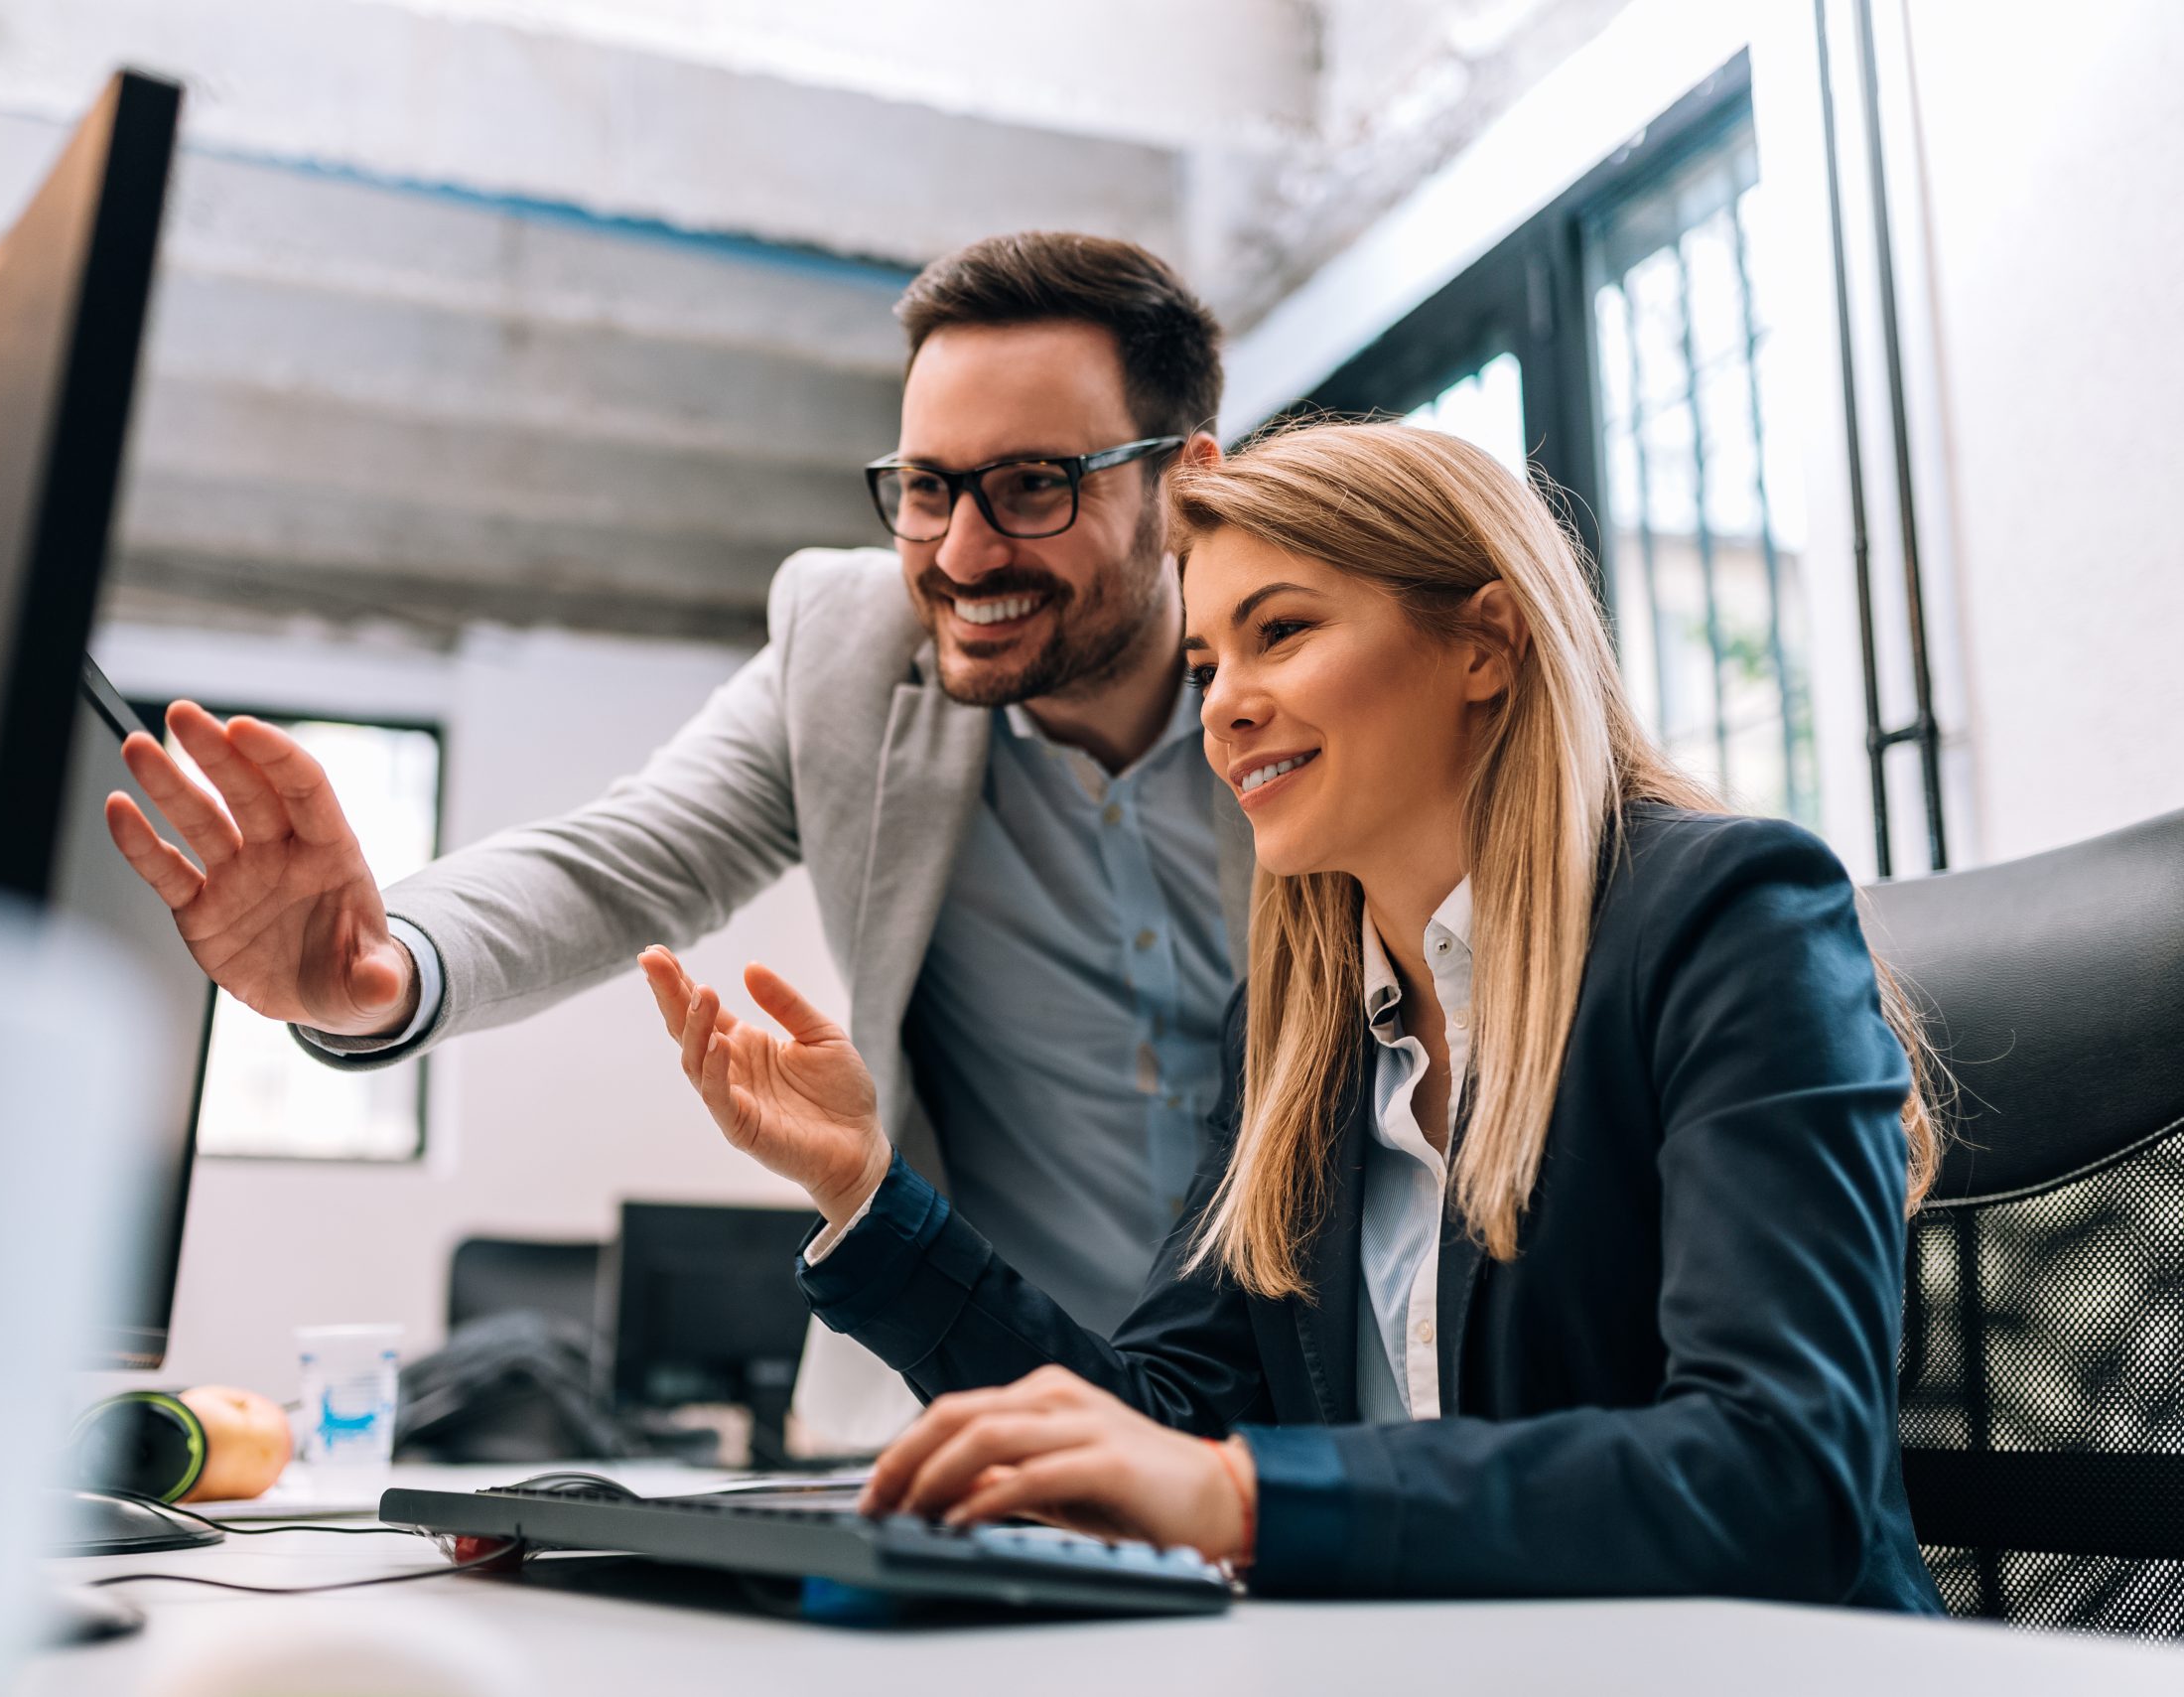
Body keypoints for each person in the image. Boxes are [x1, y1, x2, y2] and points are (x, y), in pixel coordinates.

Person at [634, 419, 1949, 1607]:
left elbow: (1782, 1470)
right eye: (1208, 660)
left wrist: (1247, 1501)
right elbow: (1152, 1424)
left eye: (1281, 633)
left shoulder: (1732, 921)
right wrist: (868, 1193)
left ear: (1485, 643)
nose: (1225, 706)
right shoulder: (1294, 1027)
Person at [99, 233, 1251, 1438]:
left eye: (1032, 486)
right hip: (984, 1408)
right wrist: (388, 962)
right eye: (924, 487)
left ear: (1183, 483)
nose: (961, 552)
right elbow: (626, 857)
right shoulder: (851, 651)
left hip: (1308, 1406)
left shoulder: (1313, 677)